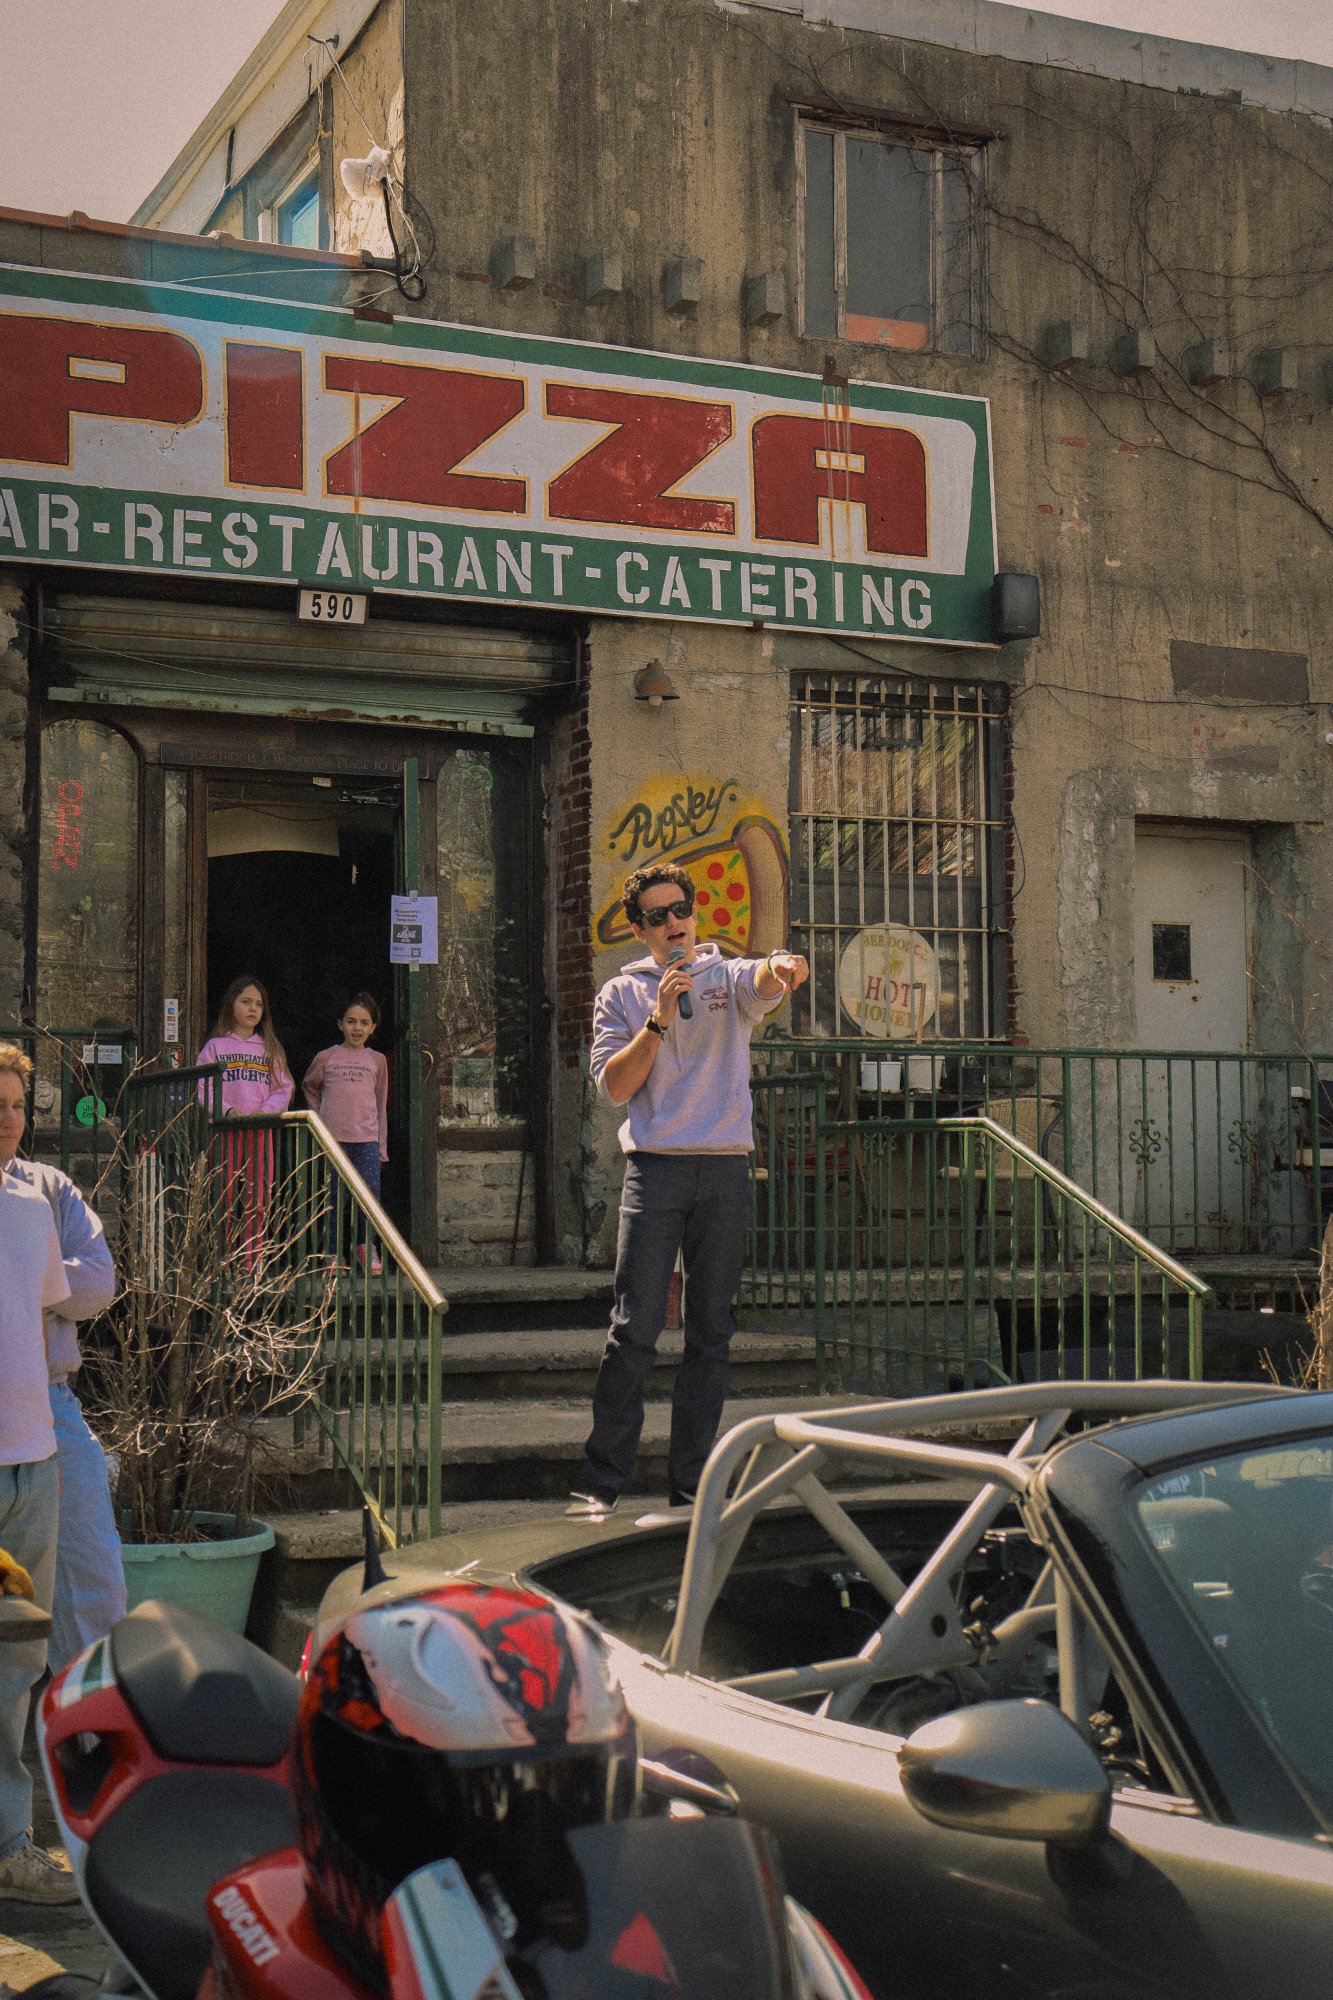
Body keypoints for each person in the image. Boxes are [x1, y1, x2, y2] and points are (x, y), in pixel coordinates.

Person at [569, 864, 808, 1518]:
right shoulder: (620, 994)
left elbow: (760, 980)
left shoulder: (723, 974)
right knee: (634, 1329)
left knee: (710, 1335)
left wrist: (782, 969)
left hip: (725, 1170)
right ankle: (600, 1484)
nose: (675, 923)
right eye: (658, 915)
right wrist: (656, 1019)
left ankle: (690, 1486)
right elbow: (615, 1088)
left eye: (682, 908)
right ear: (639, 928)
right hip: (657, 1170)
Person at [0, 1043, 78, 1903]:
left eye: (18, 1103)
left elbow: (46, 1315)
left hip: (31, 1465)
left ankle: (9, 1845)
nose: (9, 1116)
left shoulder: (32, 1206)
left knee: (15, 1668)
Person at [1, 1136, 123, 1677]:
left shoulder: (44, 1191)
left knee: (90, 1567)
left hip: (51, 1403)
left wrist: (26, 1278)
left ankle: (97, 1732)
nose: (9, 1119)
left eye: (18, 1105)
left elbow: (98, 1282)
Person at [196, 977, 294, 1267]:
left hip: (259, 1131)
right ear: (231, 1005)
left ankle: (253, 1256)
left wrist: (264, 1112)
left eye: (259, 1004)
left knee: (258, 1193)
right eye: (246, 1001)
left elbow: (283, 1088)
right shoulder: (215, 1047)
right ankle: (224, 1255)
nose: (253, 1009)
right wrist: (226, 1111)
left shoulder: (269, 1049)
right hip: (225, 1131)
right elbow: (203, 1087)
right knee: (224, 1192)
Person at [302, 993, 389, 1274]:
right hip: (333, 1141)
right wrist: (321, 1119)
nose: (357, 1028)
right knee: (333, 1198)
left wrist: (381, 1145)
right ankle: (332, 1253)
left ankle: (366, 1249)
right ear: (340, 1023)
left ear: (373, 1027)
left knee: (369, 1196)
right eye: (351, 1021)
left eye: (364, 1023)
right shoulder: (326, 1057)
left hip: (366, 1140)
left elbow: (380, 1104)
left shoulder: (377, 1061)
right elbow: (310, 1087)